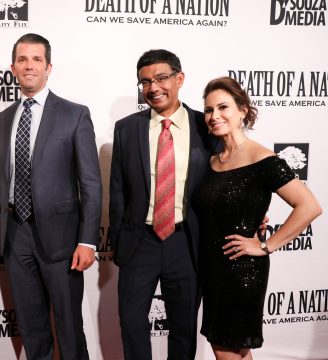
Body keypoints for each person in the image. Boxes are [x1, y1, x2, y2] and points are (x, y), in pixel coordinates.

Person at [0, 33, 102, 360]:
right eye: (22, 59)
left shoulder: (74, 114)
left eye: (36, 59)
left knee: (68, 327)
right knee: (32, 328)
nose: (29, 66)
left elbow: (91, 183)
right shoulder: (2, 120)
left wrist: (88, 241)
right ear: (13, 68)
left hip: (64, 240)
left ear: (49, 67)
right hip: (16, 235)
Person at [194, 76, 322, 360]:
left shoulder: (262, 158)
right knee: (234, 351)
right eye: (208, 110)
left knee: (227, 350)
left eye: (223, 107)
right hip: (212, 269)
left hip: (241, 270)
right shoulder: (213, 159)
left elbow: (309, 206)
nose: (214, 116)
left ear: (242, 110)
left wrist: (265, 245)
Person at [109, 49, 216, 360]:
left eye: (161, 78)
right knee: (130, 323)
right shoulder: (126, 128)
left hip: (187, 241)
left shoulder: (205, 126)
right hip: (138, 241)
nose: (153, 87)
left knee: (183, 327)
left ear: (179, 79)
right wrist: (118, 239)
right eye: (145, 82)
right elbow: (118, 189)